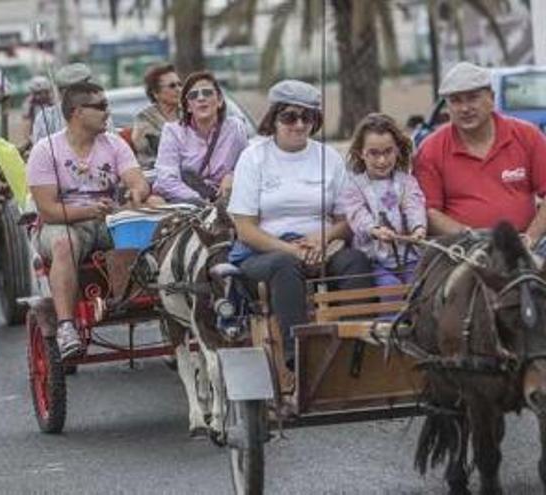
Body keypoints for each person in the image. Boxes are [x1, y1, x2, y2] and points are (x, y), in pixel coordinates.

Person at [227, 80, 372, 365]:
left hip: (321, 248)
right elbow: (245, 229)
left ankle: (358, 347)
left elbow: (346, 219)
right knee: (285, 265)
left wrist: (323, 239)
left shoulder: (328, 157)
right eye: (289, 117)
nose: (299, 124)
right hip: (264, 255)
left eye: (307, 117)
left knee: (356, 260)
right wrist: (292, 250)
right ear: (274, 118)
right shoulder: (253, 158)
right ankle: (297, 355)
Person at [26, 81, 150, 359]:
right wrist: (91, 211)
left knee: (153, 225)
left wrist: (136, 192)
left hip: (108, 221)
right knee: (64, 243)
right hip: (63, 224)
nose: (108, 112)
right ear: (77, 112)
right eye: (101, 106)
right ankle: (66, 326)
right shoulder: (45, 151)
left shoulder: (115, 144)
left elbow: (137, 180)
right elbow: (48, 211)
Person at [414, 61, 546, 251]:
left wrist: (530, 239)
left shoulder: (527, 136)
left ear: (491, 98)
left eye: (472, 98)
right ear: (448, 107)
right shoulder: (431, 148)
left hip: (528, 245)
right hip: (463, 250)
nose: (465, 108)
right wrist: (473, 239)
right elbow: (430, 212)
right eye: (456, 101)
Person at [337, 113, 426, 287]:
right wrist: (374, 230)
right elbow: (357, 214)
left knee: (421, 287)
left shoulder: (406, 182)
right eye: (374, 153)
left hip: (409, 258)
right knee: (390, 289)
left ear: (397, 150)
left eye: (388, 152)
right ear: (361, 153)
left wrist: (419, 228)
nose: (382, 160)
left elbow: (414, 206)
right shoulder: (354, 185)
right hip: (374, 261)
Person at [153, 71, 247, 204]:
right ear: (188, 107)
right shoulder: (172, 131)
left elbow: (249, 167)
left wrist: (232, 176)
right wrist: (200, 200)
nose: (201, 98)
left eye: (207, 93)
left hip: (228, 202)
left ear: (219, 101)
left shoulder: (235, 128)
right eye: (193, 95)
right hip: (188, 204)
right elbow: (166, 180)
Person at [31, 63, 115, 144]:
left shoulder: (101, 112)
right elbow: (40, 151)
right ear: (62, 93)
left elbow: (113, 143)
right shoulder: (45, 118)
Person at [131, 63, 181, 170]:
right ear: (155, 93)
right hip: (155, 171)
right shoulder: (144, 118)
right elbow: (150, 150)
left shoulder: (188, 113)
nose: (178, 89)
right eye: (172, 86)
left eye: (179, 84)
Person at [21, 75, 53, 144]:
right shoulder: (29, 104)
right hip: (35, 136)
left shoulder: (52, 103)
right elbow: (26, 124)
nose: (42, 96)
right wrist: (30, 138)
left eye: (45, 92)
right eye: (37, 93)